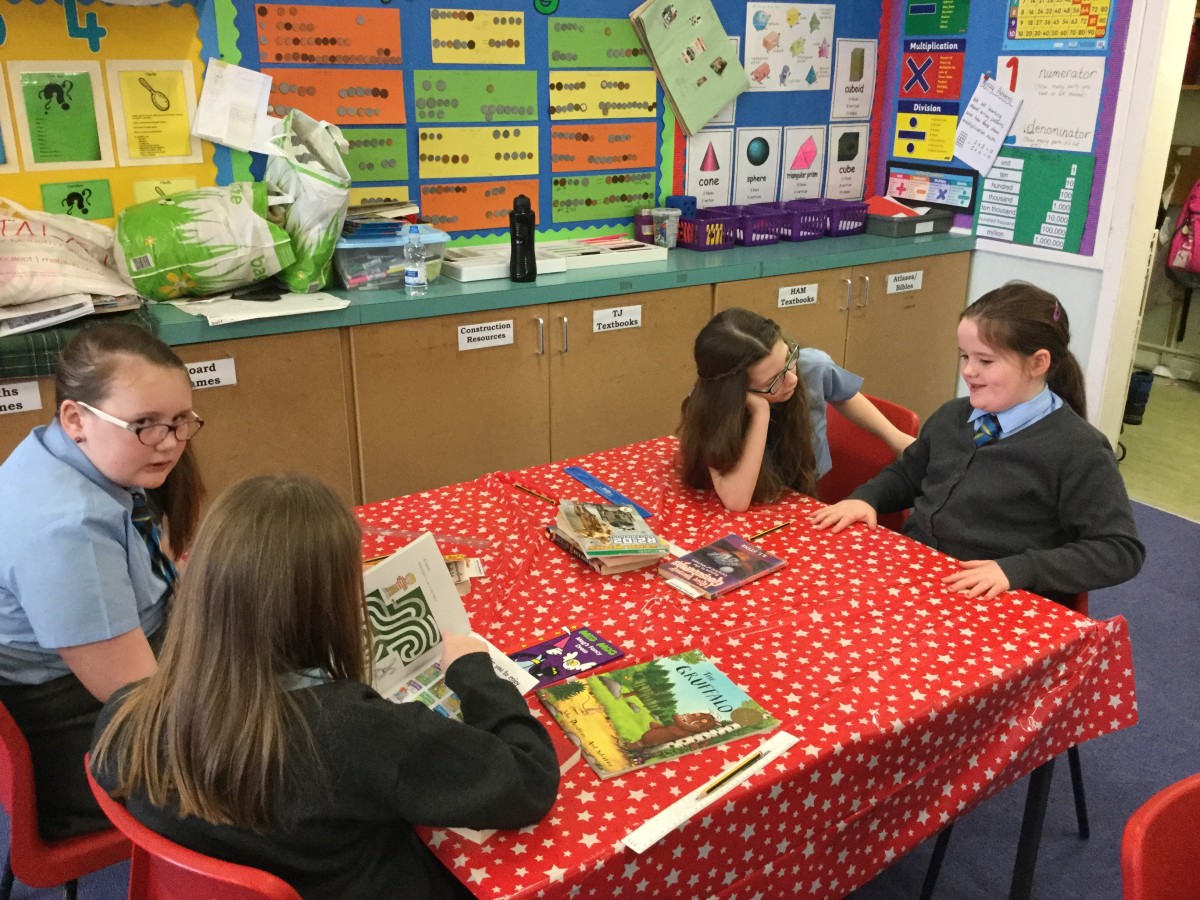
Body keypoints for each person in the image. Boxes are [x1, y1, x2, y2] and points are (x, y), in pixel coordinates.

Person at [90, 473, 560, 900]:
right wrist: (474, 672)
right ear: (325, 606)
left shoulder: (127, 716)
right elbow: (529, 780)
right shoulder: (351, 732)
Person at [811, 282, 1145, 603]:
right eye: (964, 357)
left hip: (995, 601)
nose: (969, 371)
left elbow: (1119, 550)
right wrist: (868, 498)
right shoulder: (952, 417)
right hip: (920, 575)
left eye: (985, 361)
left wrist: (1018, 570)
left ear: (1038, 363)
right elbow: (910, 474)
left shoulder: (1079, 450)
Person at [0, 323, 204, 839]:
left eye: (181, 421)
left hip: (105, 684)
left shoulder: (65, 452)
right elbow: (140, 707)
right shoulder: (68, 532)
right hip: (80, 734)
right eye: (145, 424)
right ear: (76, 418)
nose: (171, 443)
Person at [677, 307, 915, 512]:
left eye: (789, 359)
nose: (792, 379)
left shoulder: (811, 366)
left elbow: (844, 395)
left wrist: (895, 438)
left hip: (802, 499)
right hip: (751, 507)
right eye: (772, 381)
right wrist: (761, 414)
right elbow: (736, 501)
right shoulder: (715, 405)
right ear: (735, 393)